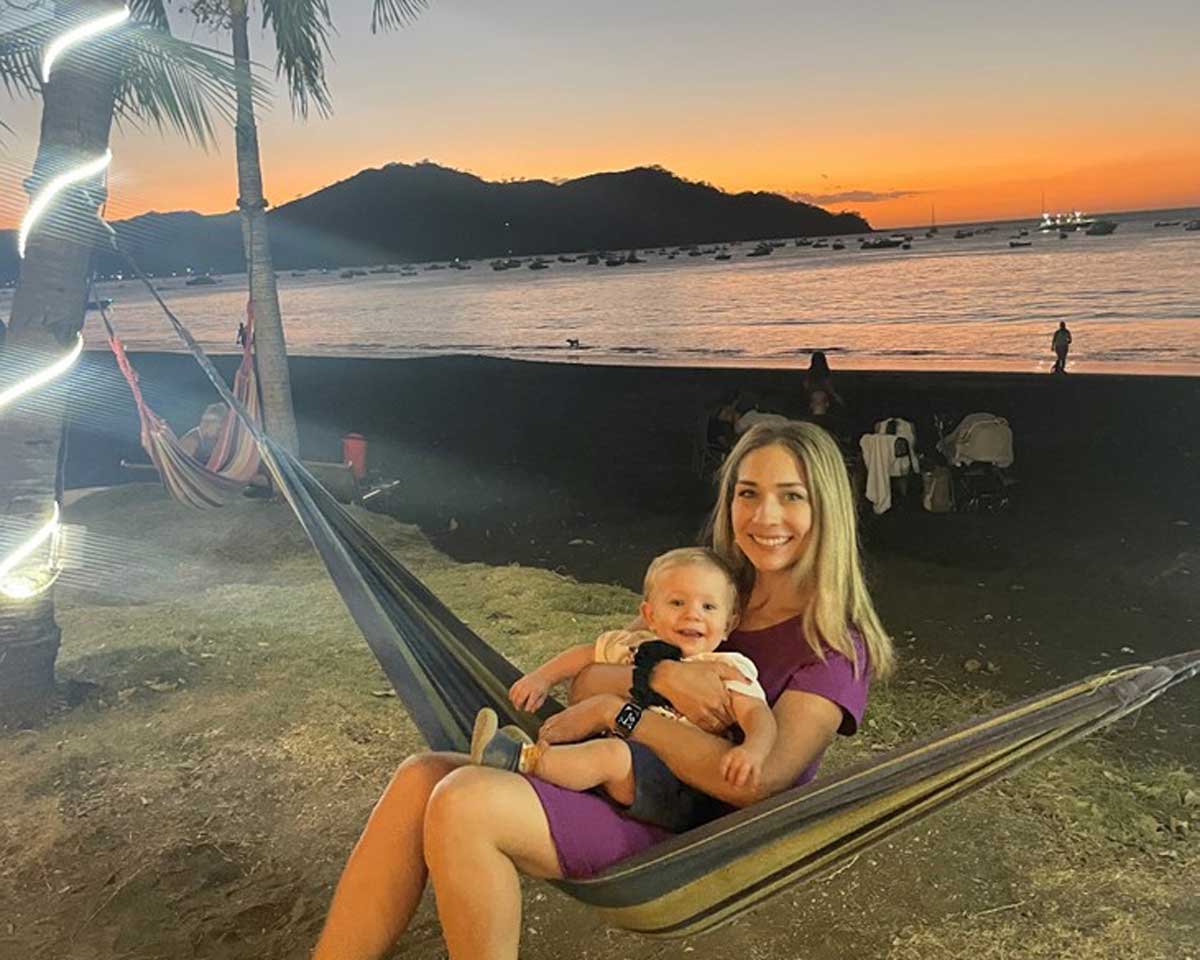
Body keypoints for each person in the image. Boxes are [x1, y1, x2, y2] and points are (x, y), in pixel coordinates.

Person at [311, 421, 894, 960]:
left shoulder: (832, 647)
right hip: (612, 779)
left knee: (465, 801)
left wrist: (626, 714)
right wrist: (666, 676)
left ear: (827, 509)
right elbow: (590, 676)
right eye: (748, 493)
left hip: (684, 833)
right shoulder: (713, 593)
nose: (766, 516)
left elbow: (754, 784)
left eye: (792, 495)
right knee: (421, 777)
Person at [472, 547, 775, 832]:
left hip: (677, 786)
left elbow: (757, 715)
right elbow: (586, 654)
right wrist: (541, 678)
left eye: (708, 606)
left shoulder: (725, 666)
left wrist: (755, 749)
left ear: (728, 624)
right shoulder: (634, 648)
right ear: (651, 614)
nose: (692, 614)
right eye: (677, 603)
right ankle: (515, 762)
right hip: (621, 763)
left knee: (611, 754)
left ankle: (521, 761)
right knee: (597, 750)